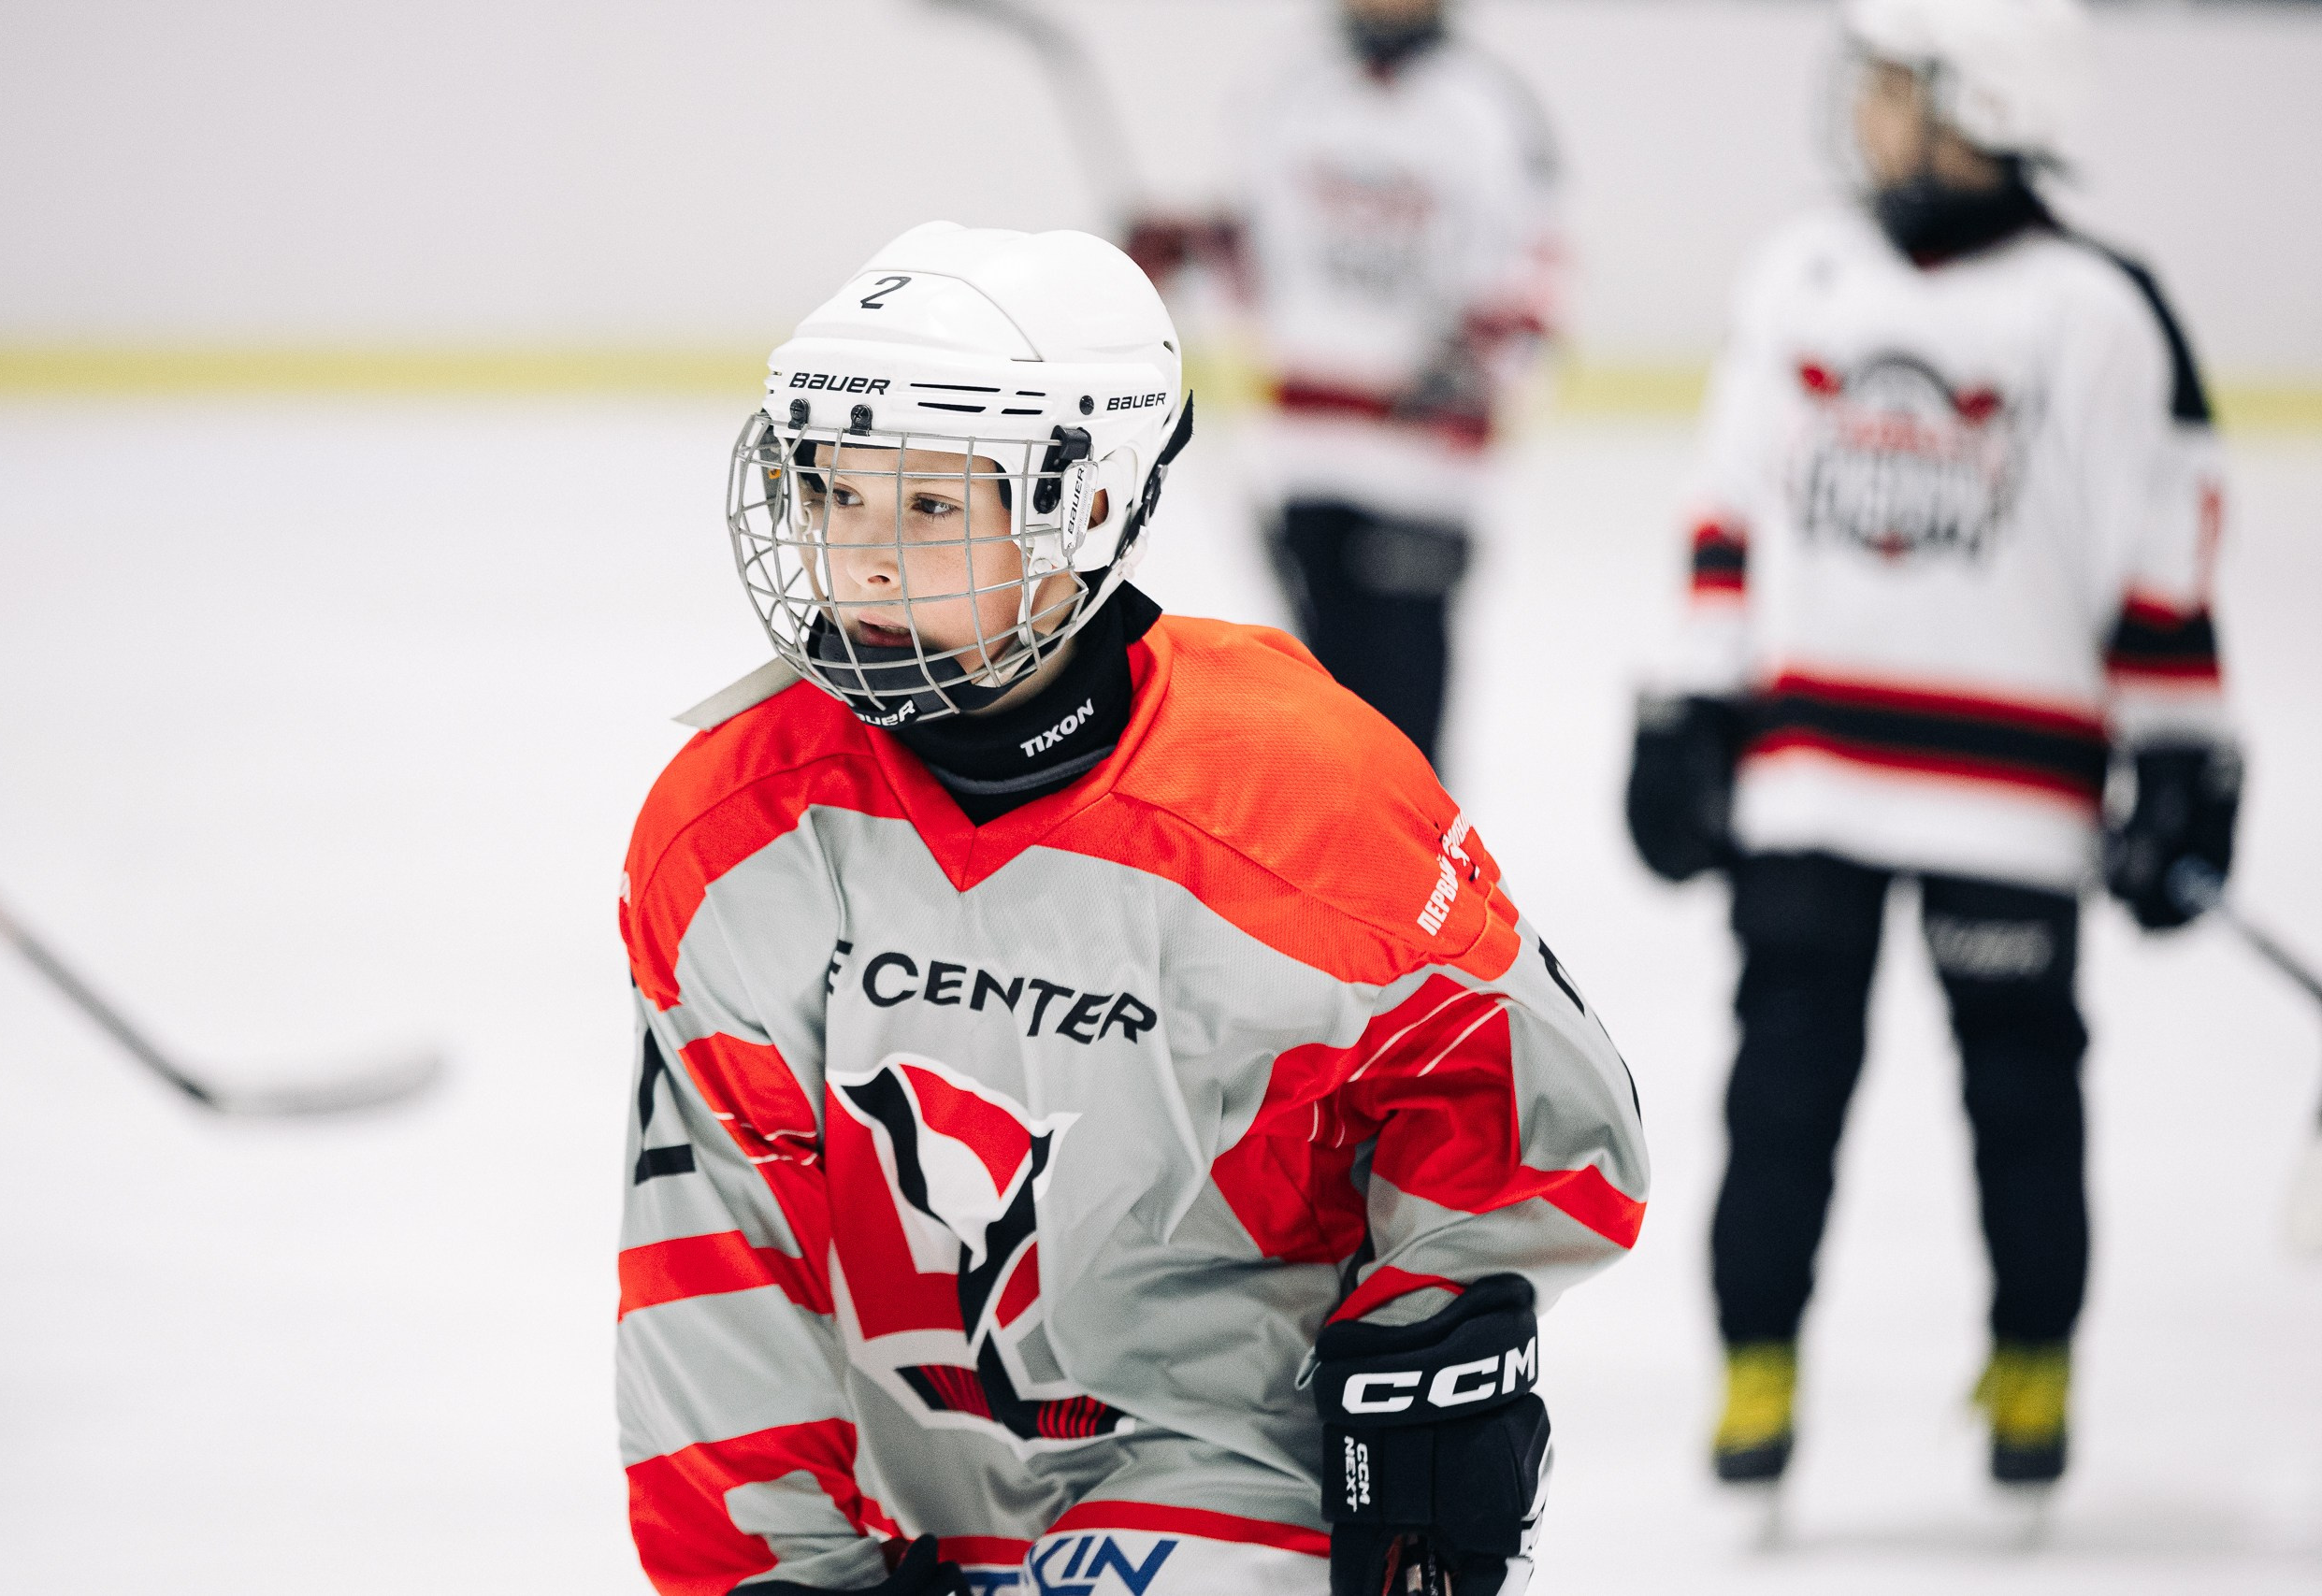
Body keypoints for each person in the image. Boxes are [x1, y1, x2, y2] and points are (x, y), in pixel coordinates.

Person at [614, 222, 1648, 1596]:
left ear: (1085, 507)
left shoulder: (1302, 803)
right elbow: (718, 1252)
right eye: (834, 494)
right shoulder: (738, 828)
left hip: (1229, 1460)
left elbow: (1539, 1126)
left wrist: (1432, 1354)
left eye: (926, 508)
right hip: (921, 1502)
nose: (858, 560)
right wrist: (775, 1575)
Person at [1626, 0, 2237, 1489]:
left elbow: (2166, 552)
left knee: (2022, 1101)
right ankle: (1755, 1359)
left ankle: (2034, 1356)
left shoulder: (2099, 307)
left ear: (1984, 105)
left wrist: (2183, 757)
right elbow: (1731, 507)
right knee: (1780, 1092)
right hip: (1812, 781)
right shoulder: (1806, 271)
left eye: (1898, 85)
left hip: (2008, 805)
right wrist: (1686, 700)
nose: (1870, 113)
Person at [1126, 0, 1562, 772]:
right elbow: (1260, 258)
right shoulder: (1291, 87)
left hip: (1424, 477)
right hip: (1309, 460)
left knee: (1400, 722)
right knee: (1318, 711)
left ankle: (1415, 881)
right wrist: (1189, 246)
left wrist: (1469, 363)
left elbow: (1535, 278)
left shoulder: (1487, 108)